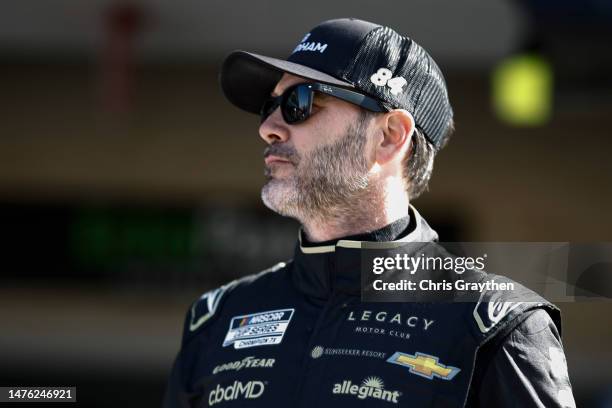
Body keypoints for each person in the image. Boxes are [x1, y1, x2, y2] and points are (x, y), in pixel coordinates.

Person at [163, 18, 576, 407]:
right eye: (267, 108)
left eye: (299, 102)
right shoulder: (216, 318)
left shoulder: (494, 325)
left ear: (390, 136)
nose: (268, 127)